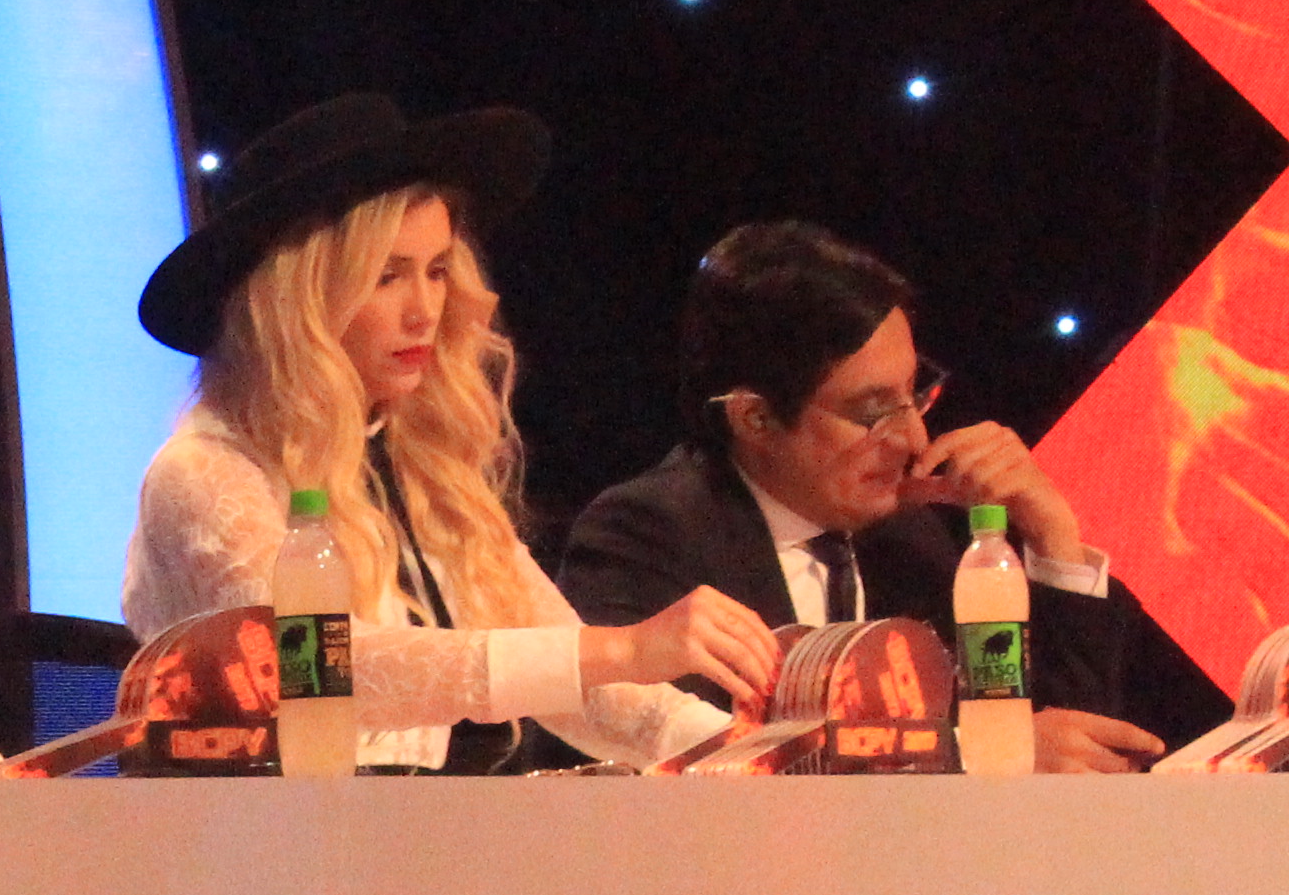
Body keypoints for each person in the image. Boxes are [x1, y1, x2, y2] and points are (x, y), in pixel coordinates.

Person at [122, 98, 779, 771]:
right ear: (296, 301)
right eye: (386, 276)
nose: (424, 311)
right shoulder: (204, 474)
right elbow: (317, 669)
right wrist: (623, 648)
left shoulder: (420, 466)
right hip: (283, 831)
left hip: (445, 824)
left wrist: (768, 755)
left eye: (437, 271)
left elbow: (588, 693)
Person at [559, 221, 1158, 770]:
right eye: (872, 413)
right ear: (755, 418)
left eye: (914, 394)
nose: (913, 439)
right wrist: (974, 753)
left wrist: (1053, 539)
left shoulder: (916, 538)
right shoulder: (648, 534)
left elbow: (1073, 751)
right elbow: (687, 761)